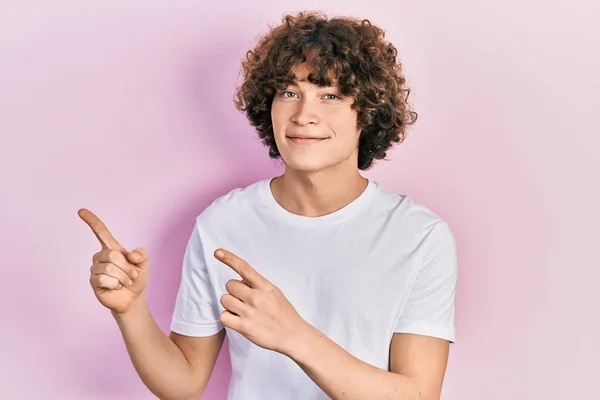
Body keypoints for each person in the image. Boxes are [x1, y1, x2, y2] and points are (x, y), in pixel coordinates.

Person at [79, 11, 458, 400]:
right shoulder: (224, 223)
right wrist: (129, 310)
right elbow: (184, 383)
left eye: (330, 96)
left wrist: (293, 335)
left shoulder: (419, 236)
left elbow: (418, 395)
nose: (304, 116)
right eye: (289, 93)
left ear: (367, 114)